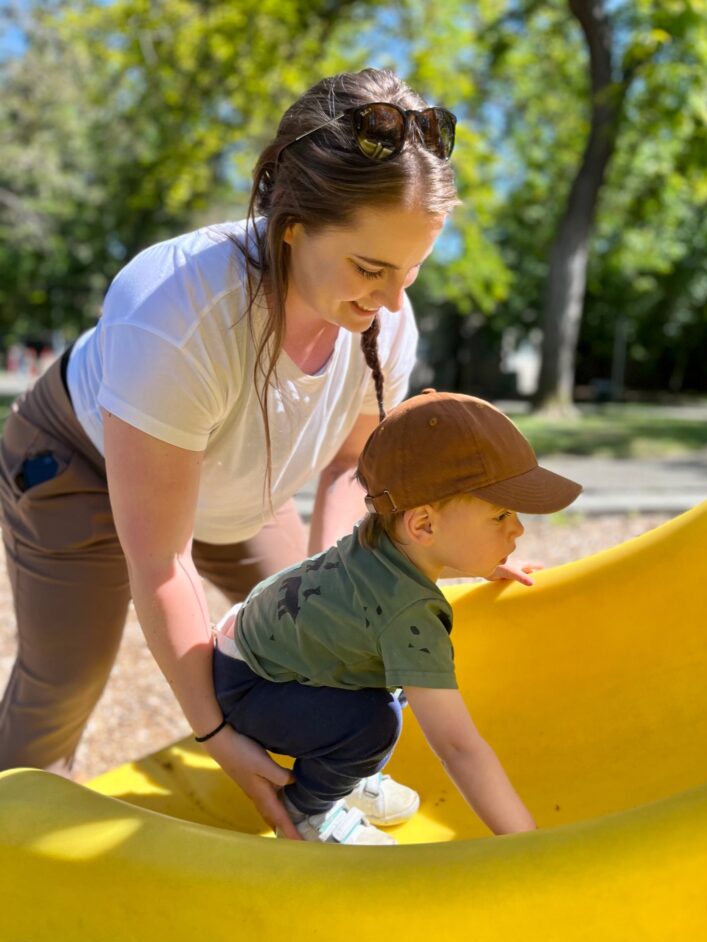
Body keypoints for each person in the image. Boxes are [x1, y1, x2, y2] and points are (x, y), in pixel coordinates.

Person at [0, 68, 461, 838]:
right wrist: (218, 738)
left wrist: (351, 588)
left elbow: (352, 466)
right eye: (371, 268)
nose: (391, 300)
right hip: (80, 463)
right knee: (67, 675)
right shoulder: (173, 311)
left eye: (411, 271)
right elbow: (162, 562)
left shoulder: (386, 317)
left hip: (233, 476)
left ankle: (329, 789)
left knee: (309, 635)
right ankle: (12, 834)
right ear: (292, 223)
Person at [211, 390, 583, 844]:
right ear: (423, 525)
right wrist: (527, 844)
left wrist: (484, 562)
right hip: (255, 686)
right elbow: (458, 747)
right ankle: (312, 810)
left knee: (394, 675)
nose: (518, 527)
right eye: (501, 514)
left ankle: (342, 770)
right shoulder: (409, 619)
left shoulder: (379, 540)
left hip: (250, 648)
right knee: (375, 724)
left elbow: (385, 594)